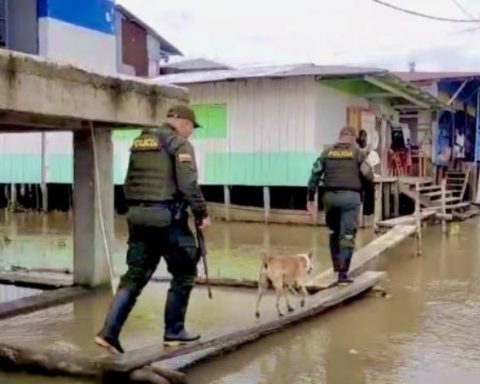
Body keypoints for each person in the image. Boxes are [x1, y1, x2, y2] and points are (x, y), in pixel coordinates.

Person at [95, 104, 211, 354]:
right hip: (168, 220)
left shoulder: (141, 143)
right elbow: (189, 185)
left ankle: (109, 333)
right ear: (183, 122)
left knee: (134, 276)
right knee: (185, 271)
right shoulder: (179, 144)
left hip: (137, 219)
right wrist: (202, 213)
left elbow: (128, 183)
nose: (191, 133)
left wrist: (135, 211)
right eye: (191, 127)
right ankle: (174, 331)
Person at [306, 126, 374, 285]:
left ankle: (336, 267)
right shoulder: (357, 153)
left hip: (330, 198)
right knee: (347, 235)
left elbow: (315, 174)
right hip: (350, 199)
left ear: (340, 137)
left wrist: (310, 198)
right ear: (353, 138)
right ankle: (343, 274)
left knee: (333, 233)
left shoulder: (327, 152)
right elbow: (369, 176)